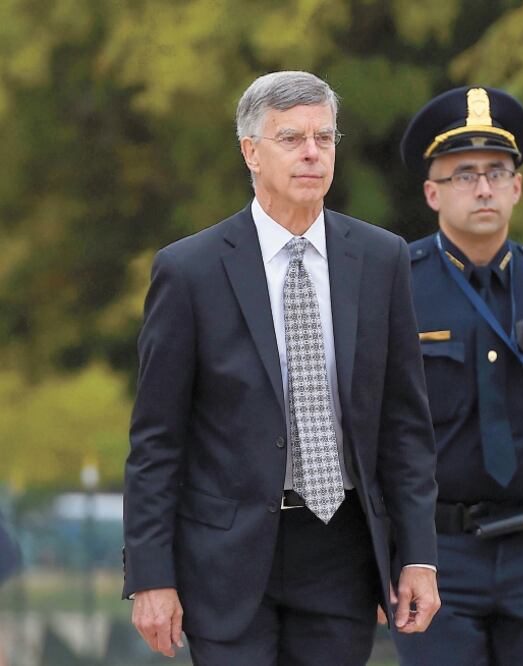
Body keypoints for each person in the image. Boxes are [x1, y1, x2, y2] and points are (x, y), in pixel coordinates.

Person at [122, 70, 440, 665]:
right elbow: (157, 440)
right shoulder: (189, 271)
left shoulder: (381, 259)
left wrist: (418, 555)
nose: (312, 153)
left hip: (342, 550)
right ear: (251, 152)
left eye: (325, 137)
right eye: (291, 138)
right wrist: (150, 576)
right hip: (226, 556)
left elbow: (405, 424)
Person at [391, 86, 523, 665]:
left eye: (497, 172)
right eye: (464, 174)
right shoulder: (395, 289)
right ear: (432, 192)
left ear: (517, 187)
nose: (483, 187)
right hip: (434, 556)